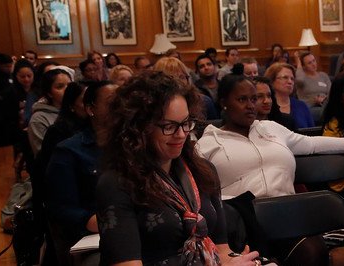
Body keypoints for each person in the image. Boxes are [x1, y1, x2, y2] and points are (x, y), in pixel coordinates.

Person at [196, 74, 344, 264]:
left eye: (254, 99)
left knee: (312, 250)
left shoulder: (270, 128)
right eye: (242, 99)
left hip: (287, 217)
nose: (251, 105)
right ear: (224, 103)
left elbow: (311, 144)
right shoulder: (209, 142)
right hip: (241, 226)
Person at [96, 71, 261, 265]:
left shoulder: (203, 172)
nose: (181, 134)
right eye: (168, 126)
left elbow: (221, 249)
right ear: (138, 128)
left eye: (185, 123)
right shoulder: (117, 183)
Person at [44, 81, 117, 265]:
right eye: (111, 102)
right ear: (91, 109)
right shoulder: (69, 151)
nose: (119, 108)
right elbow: (60, 208)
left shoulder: (132, 145)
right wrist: (91, 220)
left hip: (134, 225)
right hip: (92, 233)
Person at [153, 57, 220, 120]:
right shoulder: (152, 107)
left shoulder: (204, 102)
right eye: (172, 78)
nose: (178, 82)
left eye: (181, 77)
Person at [29, 68, 72, 155]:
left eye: (69, 85)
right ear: (49, 93)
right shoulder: (39, 119)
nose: (67, 90)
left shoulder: (78, 110)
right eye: (60, 87)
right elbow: (44, 155)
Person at [265, 62, 314, 128]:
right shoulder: (266, 105)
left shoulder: (301, 106)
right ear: (272, 81)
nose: (290, 82)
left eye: (292, 79)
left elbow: (312, 132)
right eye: (285, 77)